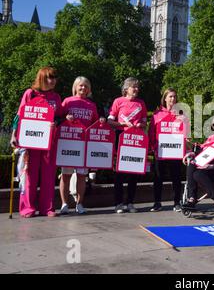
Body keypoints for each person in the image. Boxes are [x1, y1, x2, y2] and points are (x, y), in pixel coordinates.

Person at [10, 67, 63, 218]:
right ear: (41, 78)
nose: (52, 81)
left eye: (54, 78)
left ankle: (47, 208)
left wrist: (56, 123)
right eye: (49, 78)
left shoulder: (56, 97)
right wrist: (14, 135)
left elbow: (59, 116)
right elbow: (19, 115)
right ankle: (27, 208)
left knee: (48, 175)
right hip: (31, 140)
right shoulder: (30, 93)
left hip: (49, 141)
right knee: (30, 174)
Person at [58, 77, 105, 215]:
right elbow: (58, 117)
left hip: (84, 145)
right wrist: (65, 118)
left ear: (89, 89)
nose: (83, 88)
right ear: (75, 87)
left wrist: (101, 121)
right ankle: (64, 204)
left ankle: (79, 204)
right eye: (80, 86)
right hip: (68, 142)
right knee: (65, 175)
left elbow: (95, 123)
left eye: (85, 86)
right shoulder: (67, 101)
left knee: (81, 176)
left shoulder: (91, 105)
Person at [108, 78, 148, 214]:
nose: (136, 89)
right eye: (133, 87)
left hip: (136, 138)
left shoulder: (141, 103)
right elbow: (110, 120)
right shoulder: (118, 101)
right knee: (119, 173)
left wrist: (139, 125)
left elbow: (144, 122)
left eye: (137, 87)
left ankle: (130, 202)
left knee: (133, 172)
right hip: (121, 136)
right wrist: (122, 125)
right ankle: (118, 203)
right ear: (126, 89)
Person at [183, 115, 214, 208]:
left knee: (197, 174)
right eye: (213, 124)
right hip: (205, 167)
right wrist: (192, 154)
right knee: (192, 164)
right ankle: (191, 197)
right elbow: (202, 150)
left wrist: (212, 166)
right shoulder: (211, 138)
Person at [149, 88, 185, 212]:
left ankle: (177, 202)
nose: (172, 99)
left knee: (176, 177)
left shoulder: (180, 114)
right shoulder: (157, 114)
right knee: (158, 177)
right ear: (165, 98)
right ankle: (157, 203)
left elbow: (185, 133)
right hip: (160, 151)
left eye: (174, 97)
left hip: (175, 151)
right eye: (170, 96)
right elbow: (151, 132)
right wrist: (154, 146)